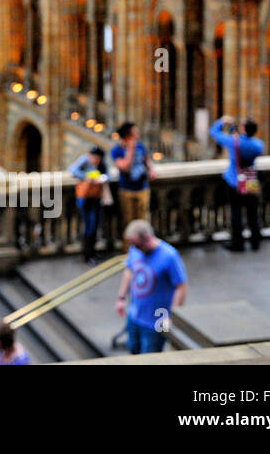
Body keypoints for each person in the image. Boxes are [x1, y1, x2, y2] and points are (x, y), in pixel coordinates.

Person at [116, 219, 187, 354]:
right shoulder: (135, 249)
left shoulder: (169, 256)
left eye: (137, 245)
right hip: (135, 315)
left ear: (148, 239)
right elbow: (129, 270)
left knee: (150, 356)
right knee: (133, 349)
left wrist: (173, 316)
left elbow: (181, 286)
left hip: (157, 321)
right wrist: (121, 298)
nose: (135, 248)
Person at [208, 115, 265, 253]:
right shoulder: (258, 145)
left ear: (244, 129)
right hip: (251, 180)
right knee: (252, 212)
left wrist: (223, 121)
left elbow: (214, 132)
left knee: (236, 213)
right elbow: (250, 147)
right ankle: (255, 241)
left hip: (235, 181)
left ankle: (238, 243)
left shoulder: (234, 143)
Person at [110, 121, 155, 226]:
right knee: (128, 222)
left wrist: (151, 170)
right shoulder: (117, 150)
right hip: (127, 190)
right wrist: (130, 150)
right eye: (135, 132)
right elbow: (125, 167)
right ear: (128, 135)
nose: (138, 134)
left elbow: (146, 160)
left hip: (143, 189)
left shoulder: (141, 146)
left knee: (144, 220)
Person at [70, 146, 108, 264]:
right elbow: (73, 170)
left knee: (96, 225)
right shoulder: (84, 160)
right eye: (94, 158)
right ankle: (87, 254)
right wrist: (88, 177)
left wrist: (102, 179)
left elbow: (108, 174)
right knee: (89, 226)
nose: (95, 160)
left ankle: (93, 252)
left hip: (96, 197)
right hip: (85, 197)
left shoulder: (102, 164)